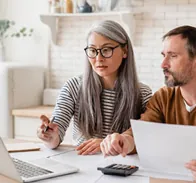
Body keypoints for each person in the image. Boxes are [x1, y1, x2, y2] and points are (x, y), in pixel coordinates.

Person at [37, 20, 152, 155]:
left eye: (106, 50)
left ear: (125, 50)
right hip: (83, 165)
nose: (98, 58)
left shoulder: (143, 93)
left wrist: (106, 144)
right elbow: (55, 138)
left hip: (123, 168)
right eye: (92, 50)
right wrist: (49, 136)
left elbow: (147, 140)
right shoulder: (73, 87)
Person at [100, 25, 196, 181]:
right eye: (163, 56)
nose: (163, 64)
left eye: (173, 56)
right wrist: (124, 141)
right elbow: (142, 131)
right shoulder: (163, 97)